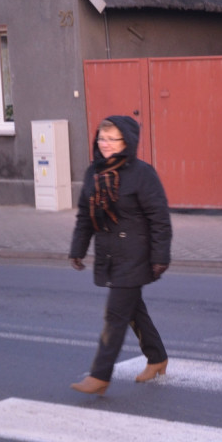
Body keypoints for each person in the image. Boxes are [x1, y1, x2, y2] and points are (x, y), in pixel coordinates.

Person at [68, 116, 172, 395]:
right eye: (102, 138)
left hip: (137, 253)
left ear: (126, 142)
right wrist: (78, 248)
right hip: (110, 255)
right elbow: (84, 217)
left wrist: (161, 255)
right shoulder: (94, 173)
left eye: (112, 139)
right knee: (132, 310)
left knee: (115, 314)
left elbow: (159, 218)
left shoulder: (142, 173)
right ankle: (157, 357)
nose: (106, 144)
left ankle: (100, 375)